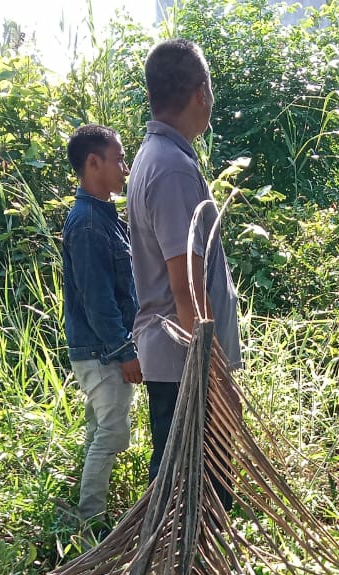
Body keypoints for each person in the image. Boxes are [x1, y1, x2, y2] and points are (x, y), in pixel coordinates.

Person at [126, 39, 242, 484]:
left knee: (181, 483)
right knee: (196, 489)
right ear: (200, 93)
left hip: (179, 360)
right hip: (186, 364)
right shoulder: (171, 168)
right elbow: (186, 287)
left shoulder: (156, 157)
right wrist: (213, 376)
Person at [61, 124, 140, 527]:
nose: (125, 168)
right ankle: (90, 520)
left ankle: (84, 514)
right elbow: (97, 300)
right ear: (93, 163)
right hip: (101, 351)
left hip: (99, 348)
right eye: (119, 159)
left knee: (100, 431)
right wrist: (124, 352)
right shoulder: (89, 224)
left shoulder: (103, 217)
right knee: (110, 434)